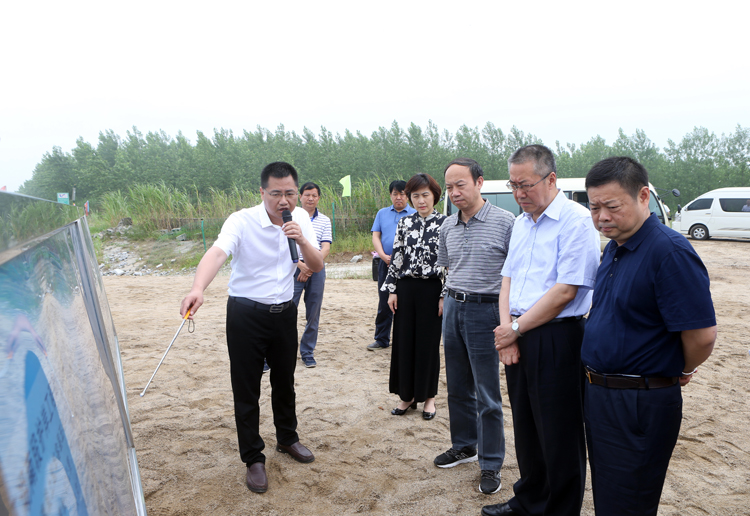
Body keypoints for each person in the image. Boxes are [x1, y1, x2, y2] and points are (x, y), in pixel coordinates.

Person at [581, 156, 716, 515]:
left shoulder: (668, 252)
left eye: (612, 206)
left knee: (630, 501)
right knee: (610, 496)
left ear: (643, 197)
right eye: (594, 207)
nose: (602, 217)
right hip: (601, 395)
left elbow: (701, 336)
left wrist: (678, 368)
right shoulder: (615, 248)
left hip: (639, 402)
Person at [179, 162, 324, 494]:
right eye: (276, 193)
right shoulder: (241, 220)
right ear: (262, 193)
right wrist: (198, 287)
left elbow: (316, 265)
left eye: (289, 193)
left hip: (285, 312)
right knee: (246, 387)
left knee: (284, 380)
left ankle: (287, 438)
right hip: (245, 314)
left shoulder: (299, 219)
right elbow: (217, 253)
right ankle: (253, 458)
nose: (283, 201)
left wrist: (301, 240)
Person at [482, 145, 601, 516]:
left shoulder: (576, 220)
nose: (519, 193)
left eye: (526, 185)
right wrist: (506, 332)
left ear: (551, 179)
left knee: (559, 430)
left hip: (557, 336)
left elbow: (566, 291)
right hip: (517, 333)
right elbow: (508, 279)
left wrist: (515, 328)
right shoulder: (521, 223)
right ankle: (529, 499)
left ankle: (560, 508)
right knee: (527, 424)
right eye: (513, 185)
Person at [434, 158, 515, 495]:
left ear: (479, 183)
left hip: (487, 312)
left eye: (460, 185)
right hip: (453, 307)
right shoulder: (446, 227)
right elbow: (448, 269)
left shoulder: (506, 222)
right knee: (457, 386)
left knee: (487, 393)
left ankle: (492, 462)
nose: (453, 193)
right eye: (449, 187)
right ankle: (464, 444)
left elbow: (515, 276)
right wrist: (444, 299)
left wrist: (509, 321)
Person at [382, 173, 446, 420]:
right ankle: (407, 396)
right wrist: (392, 289)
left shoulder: (446, 224)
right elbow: (397, 256)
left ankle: (429, 397)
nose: (421, 201)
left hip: (432, 290)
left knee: (428, 344)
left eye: (425, 195)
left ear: (435, 196)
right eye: (416, 196)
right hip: (406, 289)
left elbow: (450, 264)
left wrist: (443, 295)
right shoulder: (405, 223)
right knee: (404, 342)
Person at [368, 180, 416, 350]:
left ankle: (405, 340)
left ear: (407, 195)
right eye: (395, 194)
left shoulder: (415, 213)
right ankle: (381, 339)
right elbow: (376, 236)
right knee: (384, 301)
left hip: (407, 265)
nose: (398, 197)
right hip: (385, 263)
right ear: (390, 195)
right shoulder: (382, 213)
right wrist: (382, 256)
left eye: (402, 194)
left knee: (406, 302)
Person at [292, 182, 332, 368]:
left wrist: (311, 266)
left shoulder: (324, 220)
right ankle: (281, 351)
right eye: (307, 194)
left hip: (316, 270)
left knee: (313, 312)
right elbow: (283, 247)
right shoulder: (290, 217)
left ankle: (307, 352)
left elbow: (325, 247)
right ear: (300, 196)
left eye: (314, 195)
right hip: (293, 268)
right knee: (286, 311)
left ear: (318, 198)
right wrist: (300, 265)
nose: (310, 198)